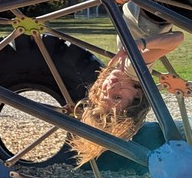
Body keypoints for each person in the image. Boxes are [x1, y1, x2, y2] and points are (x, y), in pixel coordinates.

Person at [70, 31, 183, 164]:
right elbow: (177, 38)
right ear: (137, 95)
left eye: (104, 94)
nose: (110, 88)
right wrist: (140, 44)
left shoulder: (125, 69)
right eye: (117, 97)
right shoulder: (133, 68)